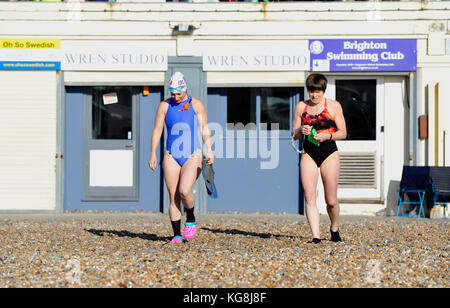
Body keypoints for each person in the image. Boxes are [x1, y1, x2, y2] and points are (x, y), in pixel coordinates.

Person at [149, 72, 214, 244]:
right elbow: (157, 130)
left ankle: (191, 216)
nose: (176, 97)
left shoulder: (196, 104)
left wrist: (210, 150)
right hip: (171, 154)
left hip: (192, 154)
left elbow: (204, 129)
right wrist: (153, 152)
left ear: (185, 90)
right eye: (173, 94)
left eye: (179, 93)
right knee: (173, 196)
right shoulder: (164, 106)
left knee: (184, 190)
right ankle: (177, 234)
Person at [292, 73, 347, 244]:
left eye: (317, 92)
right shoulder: (301, 107)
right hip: (309, 153)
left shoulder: (333, 106)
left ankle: (334, 228)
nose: (314, 95)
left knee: (330, 200)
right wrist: (301, 130)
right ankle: (316, 236)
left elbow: (343, 133)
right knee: (309, 196)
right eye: (311, 91)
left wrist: (327, 136)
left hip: (328, 152)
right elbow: (293, 135)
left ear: (323, 90)